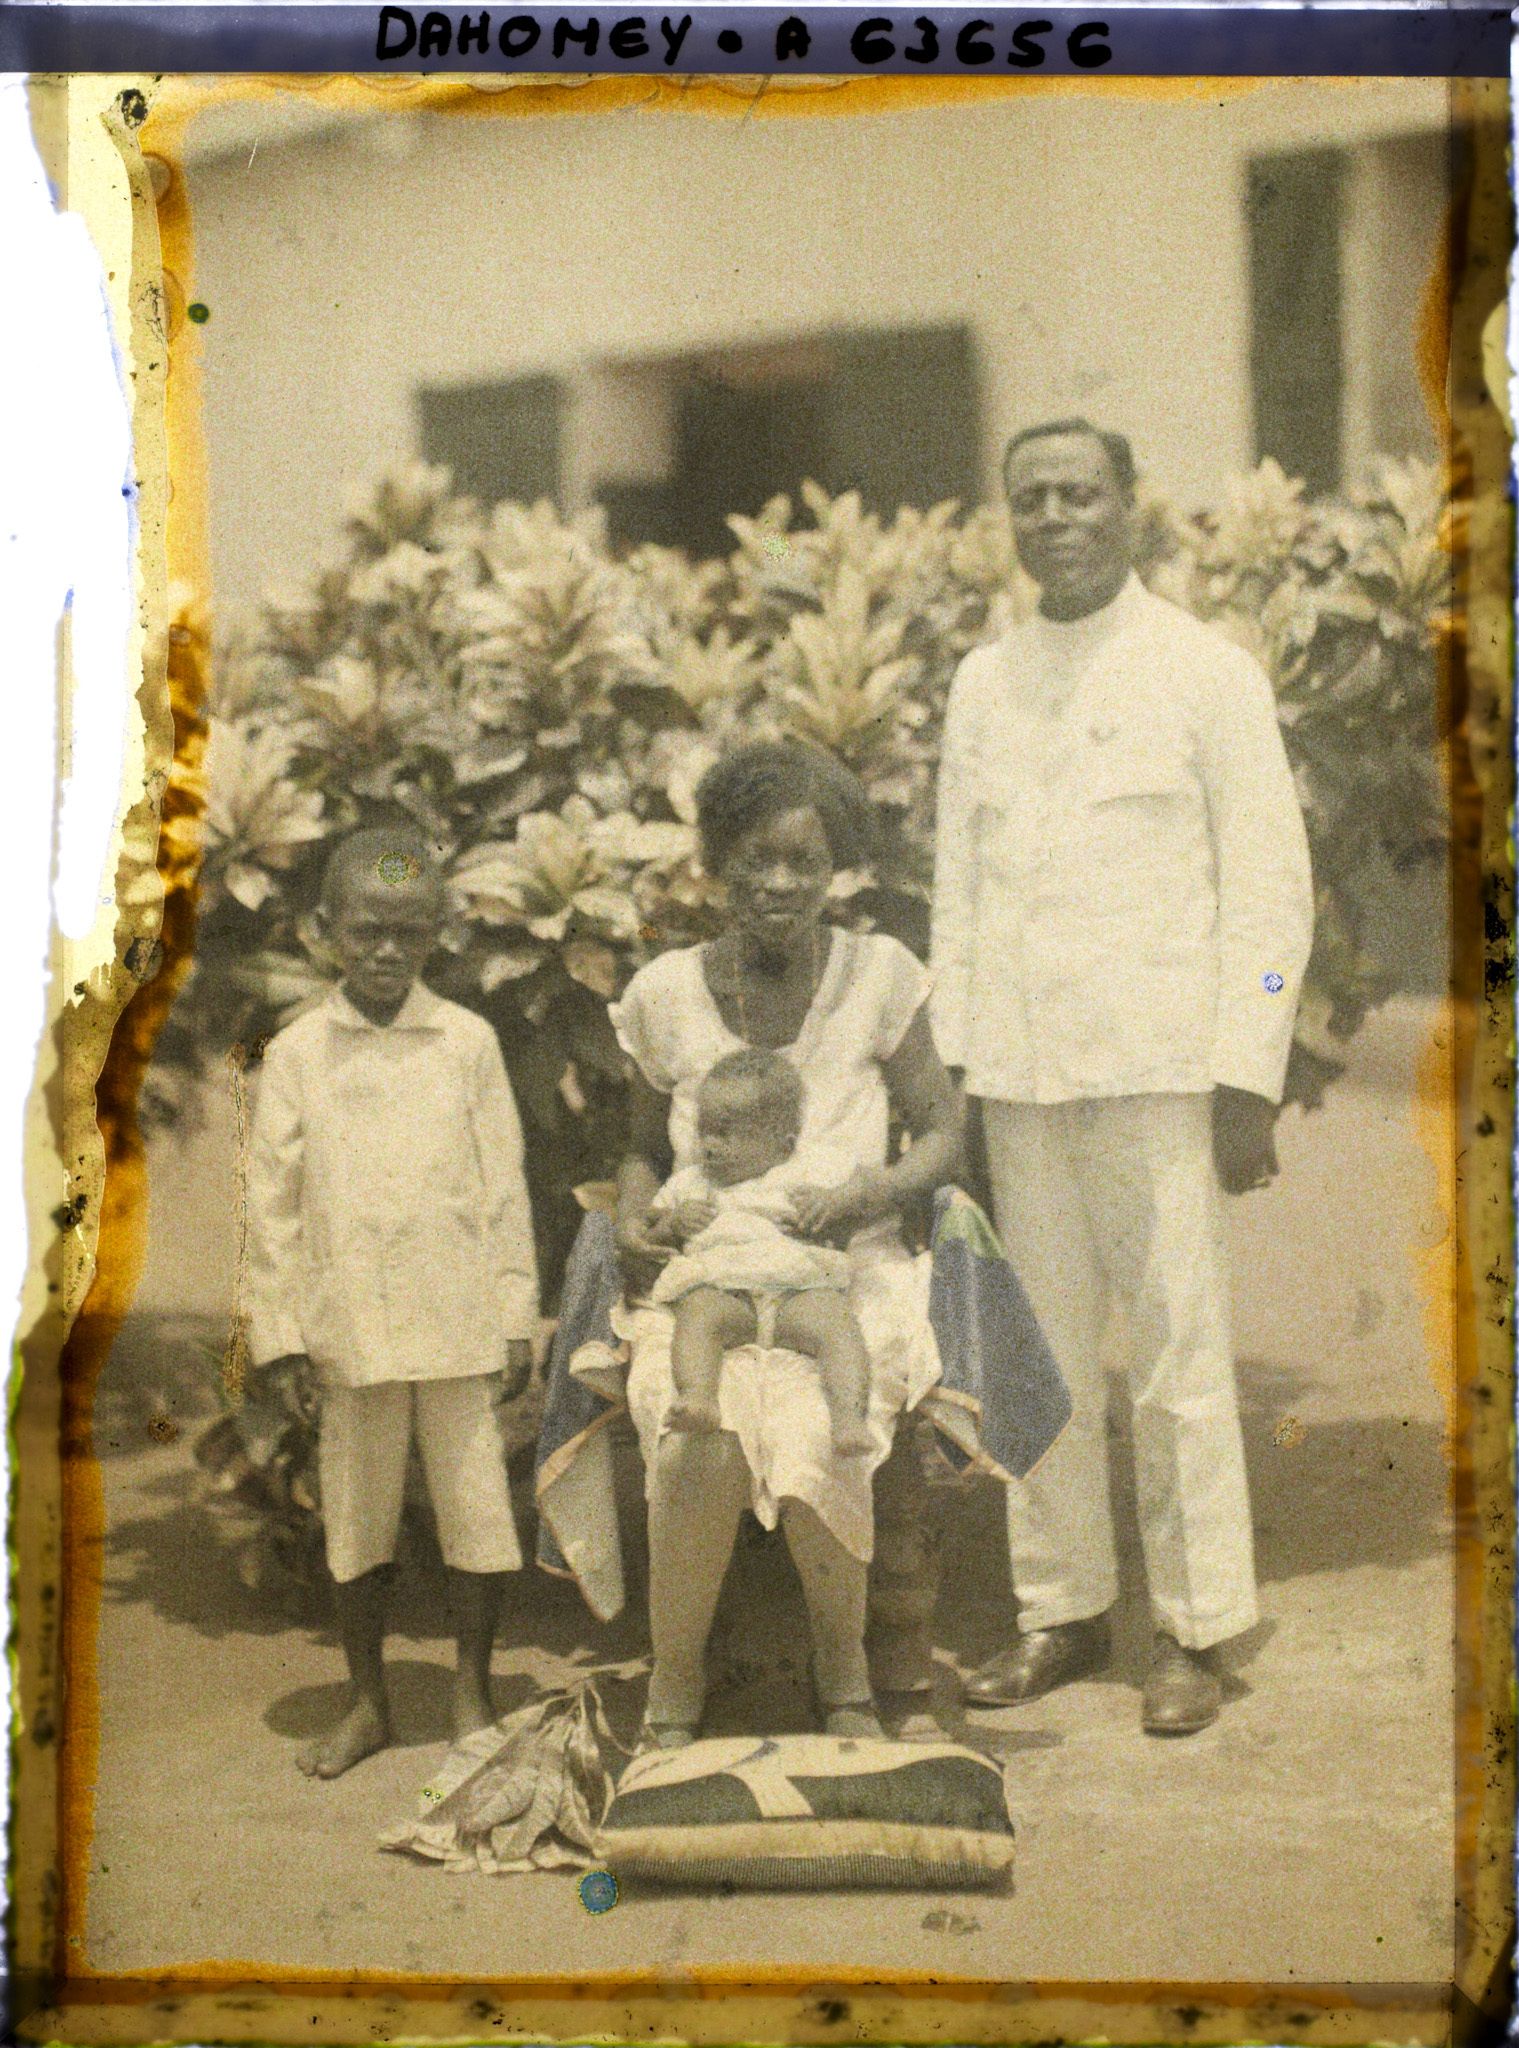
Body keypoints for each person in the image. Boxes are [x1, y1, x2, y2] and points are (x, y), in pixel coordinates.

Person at [930, 418, 1314, 1736]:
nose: (1054, 517)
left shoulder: (1204, 672)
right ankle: (1062, 1607)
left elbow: (1268, 888)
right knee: (1033, 1360)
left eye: (1079, 493)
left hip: (1160, 1074)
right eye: (1030, 497)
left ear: (1129, 505)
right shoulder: (983, 684)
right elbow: (957, 890)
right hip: (1018, 1078)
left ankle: (1195, 1628)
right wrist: (956, 1078)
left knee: (1175, 1360)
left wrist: (1245, 1075)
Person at [610, 740, 965, 1750]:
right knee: (696, 1426)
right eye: (754, 858)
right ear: (717, 860)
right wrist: (635, 1218)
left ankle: (843, 1672)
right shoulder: (665, 991)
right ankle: (676, 1677)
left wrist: (874, 1188)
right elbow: (640, 1151)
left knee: (819, 1426)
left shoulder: (880, 974)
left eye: (803, 861)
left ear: (835, 866)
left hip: (848, 1272)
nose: (777, 882)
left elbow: (942, 1129)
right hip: (706, 1272)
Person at [245, 826, 539, 1778]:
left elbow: (503, 1188)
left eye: (408, 932)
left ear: (436, 934)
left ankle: (471, 1694)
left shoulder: (466, 1042)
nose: (384, 951)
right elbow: (272, 1207)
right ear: (327, 929)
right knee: (358, 1516)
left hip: (456, 1317)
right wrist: (283, 1338)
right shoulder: (299, 1052)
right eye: (366, 930)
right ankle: (368, 1702)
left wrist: (513, 1314)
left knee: (475, 1508)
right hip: (351, 1327)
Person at [647, 1048, 871, 1456]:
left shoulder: (810, 1170)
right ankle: (698, 1397)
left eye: (727, 1132)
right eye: (704, 1130)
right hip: (725, 1293)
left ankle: (849, 1417)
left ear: (784, 1145)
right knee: (697, 1315)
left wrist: (830, 1205)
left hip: (798, 1292)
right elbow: (654, 1229)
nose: (710, 1145)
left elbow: (861, 1198)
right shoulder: (692, 1183)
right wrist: (674, 1223)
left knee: (838, 1326)